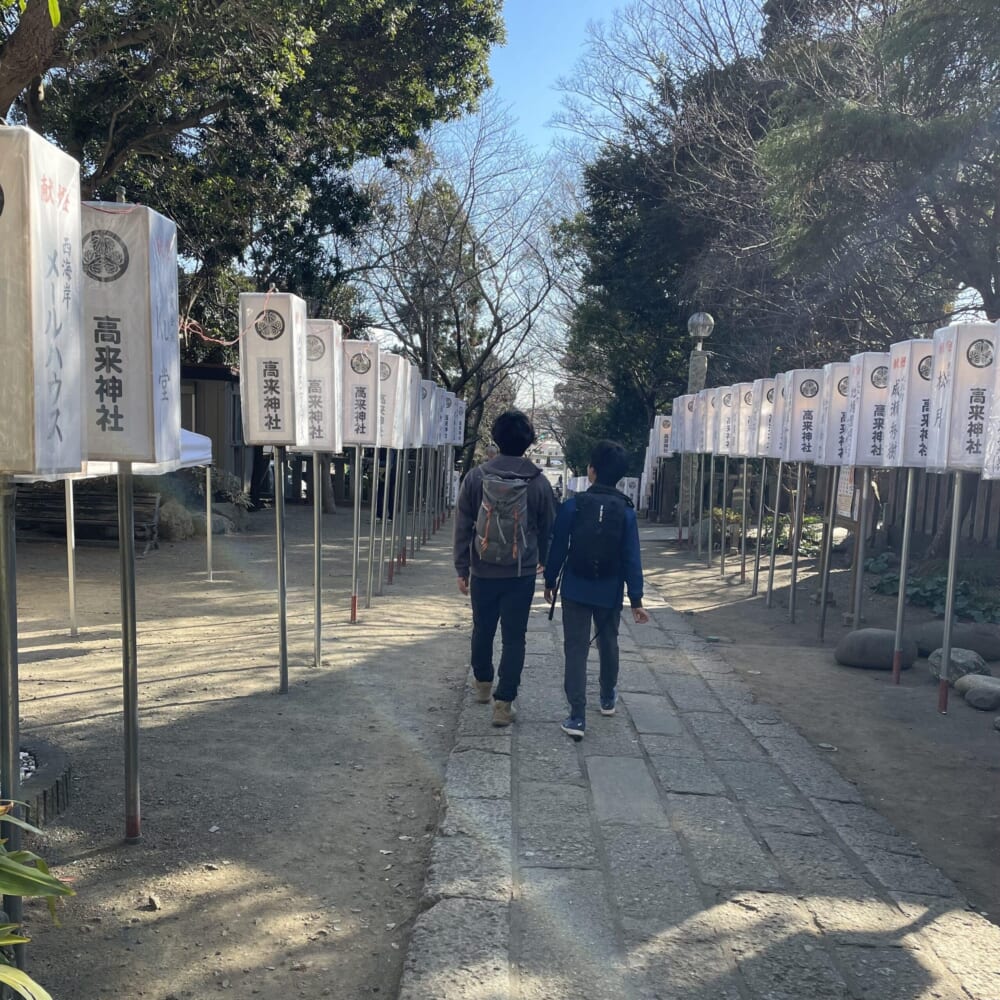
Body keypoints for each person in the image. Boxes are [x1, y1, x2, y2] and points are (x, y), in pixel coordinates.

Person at [454, 410, 556, 726]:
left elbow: (463, 524)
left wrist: (462, 566)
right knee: (514, 637)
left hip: (483, 569)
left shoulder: (476, 476)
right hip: (520, 572)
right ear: (528, 442)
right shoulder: (538, 482)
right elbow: (547, 527)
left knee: (482, 628)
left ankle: (483, 684)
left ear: (496, 439)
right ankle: (504, 702)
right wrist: (545, 565)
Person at [543, 440, 650, 740]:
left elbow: (557, 547)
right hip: (610, 589)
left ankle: (577, 715)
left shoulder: (573, 506)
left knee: (575, 648)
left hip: (576, 587)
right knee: (609, 642)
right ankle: (607, 696)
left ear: (591, 471)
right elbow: (631, 557)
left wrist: (550, 581)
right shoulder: (626, 513)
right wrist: (636, 599)